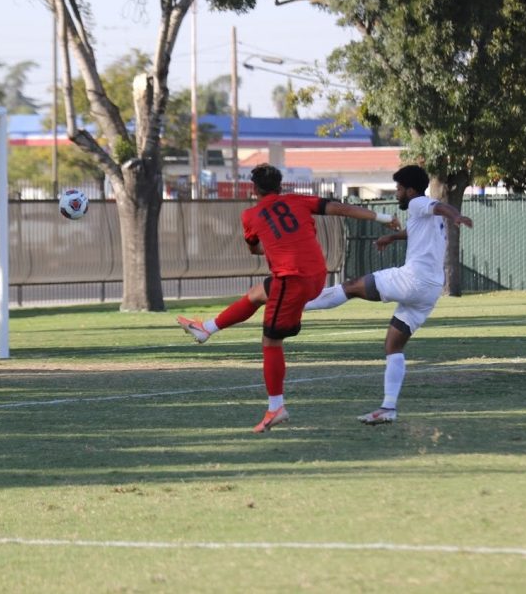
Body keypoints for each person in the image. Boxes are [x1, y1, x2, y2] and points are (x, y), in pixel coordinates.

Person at [177, 163, 400, 433]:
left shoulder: (250, 215)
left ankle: (276, 407)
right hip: (316, 274)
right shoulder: (298, 201)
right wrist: (384, 219)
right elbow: (340, 208)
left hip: (292, 279)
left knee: (271, 342)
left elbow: (254, 249)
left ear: (254, 188)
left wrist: (271, 242)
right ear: (280, 186)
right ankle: (206, 329)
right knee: (258, 294)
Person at [304, 165, 474, 425]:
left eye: (398, 189)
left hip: (411, 280)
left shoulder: (419, 202)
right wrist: (393, 237)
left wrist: (457, 215)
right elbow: (419, 228)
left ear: (410, 190)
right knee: (393, 346)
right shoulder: (424, 210)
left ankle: (297, 306)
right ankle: (388, 408)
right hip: (429, 290)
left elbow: (443, 208)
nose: (396, 193)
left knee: (351, 287)